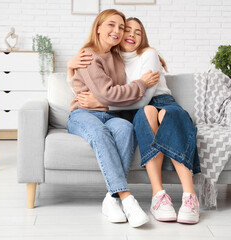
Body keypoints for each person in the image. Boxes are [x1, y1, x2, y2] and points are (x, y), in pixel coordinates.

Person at [69, 17, 201, 224]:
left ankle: (189, 197)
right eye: (126, 30)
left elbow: (145, 98)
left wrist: (103, 104)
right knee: (146, 115)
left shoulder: (148, 54)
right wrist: (70, 68)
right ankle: (158, 196)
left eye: (137, 32)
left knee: (169, 115)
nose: (130, 34)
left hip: (156, 101)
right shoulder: (113, 57)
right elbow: (88, 83)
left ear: (143, 38)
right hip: (133, 108)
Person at [66, 9, 161, 228]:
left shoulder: (117, 57)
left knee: (126, 129)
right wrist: (141, 84)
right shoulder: (89, 55)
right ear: (98, 27)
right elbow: (109, 93)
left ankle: (111, 199)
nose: (117, 31)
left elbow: (113, 97)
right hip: (82, 113)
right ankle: (127, 199)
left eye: (120, 27)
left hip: (111, 114)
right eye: (111, 25)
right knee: (99, 133)